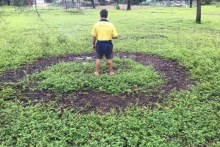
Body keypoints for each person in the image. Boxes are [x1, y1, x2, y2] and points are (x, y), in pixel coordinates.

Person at [91, 9, 118, 76]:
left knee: (98, 58)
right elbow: (115, 36)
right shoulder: (111, 25)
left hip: (99, 43)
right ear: (107, 15)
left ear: (100, 15)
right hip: (108, 44)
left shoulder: (96, 25)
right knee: (109, 58)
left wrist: (93, 44)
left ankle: (97, 72)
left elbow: (94, 37)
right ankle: (111, 72)